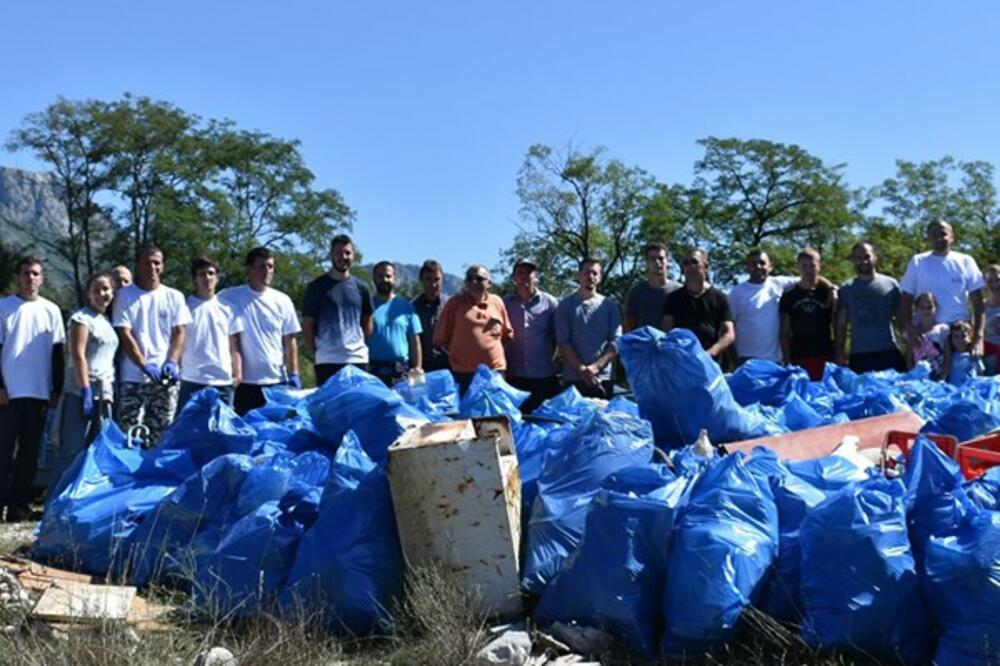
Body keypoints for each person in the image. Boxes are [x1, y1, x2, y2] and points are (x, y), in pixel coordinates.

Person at [0, 257, 66, 521]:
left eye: (35, 274)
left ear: (42, 278)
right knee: (3, 451)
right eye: (26, 273)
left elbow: (57, 353)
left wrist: (56, 390)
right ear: (19, 276)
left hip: (39, 393)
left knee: (29, 454)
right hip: (9, 393)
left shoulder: (52, 311)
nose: (30, 278)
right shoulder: (4, 307)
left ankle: (19, 506)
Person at [113, 245, 191, 447]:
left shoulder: (174, 296)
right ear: (138, 266)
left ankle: (154, 475)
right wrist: (143, 364)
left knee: (162, 432)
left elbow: (179, 332)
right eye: (147, 262)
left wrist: (172, 361)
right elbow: (125, 334)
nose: (152, 267)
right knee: (129, 433)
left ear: (163, 266)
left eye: (157, 262)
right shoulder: (125, 296)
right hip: (133, 378)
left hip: (165, 380)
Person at [49, 272, 117, 492]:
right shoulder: (81, 319)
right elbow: (77, 354)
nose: (101, 294)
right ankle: (57, 501)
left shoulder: (106, 322)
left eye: (106, 289)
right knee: (72, 450)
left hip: (104, 393)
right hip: (81, 393)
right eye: (96, 289)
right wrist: (85, 388)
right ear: (88, 293)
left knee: (96, 451)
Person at [219, 247, 301, 416]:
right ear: (249, 269)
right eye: (262, 266)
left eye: (270, 266)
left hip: (276, 381)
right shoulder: (230, 296)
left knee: (275, 433)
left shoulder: (282, 300)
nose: (267, 271)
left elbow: (290, 339)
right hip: (244, 383)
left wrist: (294, 373)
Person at [899, 219, 985, 353]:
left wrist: (978, 337)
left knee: (962, 373)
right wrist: (909, 327)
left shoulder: (966, 261)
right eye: (934, 234)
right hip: (926, 335)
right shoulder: (918, 261)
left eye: (943, 234)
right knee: (924, 374)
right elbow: (905, 299)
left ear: (952, 237)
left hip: (959, 335)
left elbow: (978, 302)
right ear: (928, 238)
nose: (939, 238)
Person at [302, 234, 373, 386]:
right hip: (327, 360)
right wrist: (318, 351)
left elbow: (368, 322)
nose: (343, 257)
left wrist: (359, 344)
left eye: (347, 253)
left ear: (353, 255)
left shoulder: (362, 288)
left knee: (358, 406)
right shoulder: (316, 287)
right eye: (339, 253)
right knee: (330, 407)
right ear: (331, 255)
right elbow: (308, 326)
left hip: (357, 359)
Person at [177, 257, 244, 412]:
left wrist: (238, 374)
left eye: (211, 273)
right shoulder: (184, 306)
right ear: (195, 278)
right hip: (191, 379)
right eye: (202, 274)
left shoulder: (228, 308)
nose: (207, 278)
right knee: (191, 431)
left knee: (222, 432)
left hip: (222, 381)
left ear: (217, 277)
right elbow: (178, 341)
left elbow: (234, 345)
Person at [434, 265, 512, 395]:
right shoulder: (455, 303)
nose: (474, 282)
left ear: (489, 283)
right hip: (464, 374)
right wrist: (460, 352)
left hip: (494, 372)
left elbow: (506, 334)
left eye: (479, 279)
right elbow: (440, 339)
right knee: (469, 414)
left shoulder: (497, 302)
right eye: (469, 279)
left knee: (496, 414)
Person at [834, 242, 906, 373]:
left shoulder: (891, 284)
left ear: (875, 257)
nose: (864, 261)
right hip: (859, 354)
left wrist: (910, 346)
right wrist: (840, 353)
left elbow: (901, 319)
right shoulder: (846, 288)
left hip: (888, 351)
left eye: (867, 256)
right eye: (859, 258)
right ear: (854, 261)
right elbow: (841, 324)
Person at [555, 258, 622, 399]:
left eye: (594, 273)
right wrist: (582, 370)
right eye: (586, 272)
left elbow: (617, 341)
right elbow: (563, 342)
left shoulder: (610, 306)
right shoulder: (565, 306)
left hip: (603, 379)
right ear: (579, 275)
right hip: (573, 380)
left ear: (600, 277)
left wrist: (596, 367)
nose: (590, 277)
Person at [503, 258, 560, 413]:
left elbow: (556, 337)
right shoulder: (504, 304)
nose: (524, 275)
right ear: (514, 277)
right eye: (520, 272)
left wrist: (548, 360)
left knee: (547, 423)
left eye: (529, 272)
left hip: (544, 377)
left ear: (536, 276)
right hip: (514, 378)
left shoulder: (550, 303)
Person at [728, 249, 800, 363]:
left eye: (762, 263)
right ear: (747, 267)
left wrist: (831, 288)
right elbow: (728, 329)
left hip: (775, 361)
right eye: (753, 263)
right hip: (746, 361)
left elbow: (809, 279)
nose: (758, 266)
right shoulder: (737, 293)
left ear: (770, 266)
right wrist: (734, 361)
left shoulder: (779, 283)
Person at [662, 248, 734, 360]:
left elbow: (729, 334)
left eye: (694, 262)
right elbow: (666, 331)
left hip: (710, 364)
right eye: (686, 263)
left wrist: (709, 353)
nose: (690, 266)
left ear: (706, 267)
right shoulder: (673, 298)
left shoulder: (720, 298)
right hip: (681, 363)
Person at [780, 248, 837, 380]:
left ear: (819, 267)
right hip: (799, 356)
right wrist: (787, 362)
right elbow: (784, 333)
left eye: (812, 265)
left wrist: (838, 354)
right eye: (804, 266)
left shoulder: (827, 294)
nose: (808, 270)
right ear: (797, 268)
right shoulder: (789, 296)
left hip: (825, 355)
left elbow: (837, 325)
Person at [368, 261, 422, 386]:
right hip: (373, 368)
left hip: (400, 369)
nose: (384, 279)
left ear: (394, 278)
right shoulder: (367, 306)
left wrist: (418, 368)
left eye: (388, 276)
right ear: (374, 279)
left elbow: (415, 342)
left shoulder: (406, 307)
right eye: (380, 276)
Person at [624, 242, 680, 332]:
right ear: (647, 263)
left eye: (661, 258)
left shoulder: (679, 291)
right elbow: (629, 327)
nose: (657, 262)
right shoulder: (636, 292)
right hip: (643, 344)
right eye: (653, 259)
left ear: (668, 261)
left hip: (672, 344)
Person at [411, 260, 450, 372]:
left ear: (442, 279)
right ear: (421, 280)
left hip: (447, 366)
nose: (433, 284)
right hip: (422, 367)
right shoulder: (412, 308)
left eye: (436, 279)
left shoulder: (450, 306)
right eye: (428, 279)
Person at [907, 292, 950, 378]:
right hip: (919, 378)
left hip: (938, 376)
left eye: (929, 307)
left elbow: (948, 357)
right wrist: (913, 376)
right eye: (922, 307)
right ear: (916, 309)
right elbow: (909, 358)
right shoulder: (912, 331)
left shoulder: (942, 329)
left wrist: (943, 377)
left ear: (936, 308)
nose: (926, 311)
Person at [943, 320, 983, 385]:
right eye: (956, 336)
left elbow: (980, 372)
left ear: (970, 337)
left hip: (970, 389)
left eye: (963, 336)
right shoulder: (950, 356)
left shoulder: (972, 355)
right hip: (953, 389)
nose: (960, 339)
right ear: (951, 339)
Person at [983, 264, 1000, 375]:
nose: (994, 284)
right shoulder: (981, 306)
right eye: (990, 281)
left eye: (998, 280)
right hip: (989, 353)